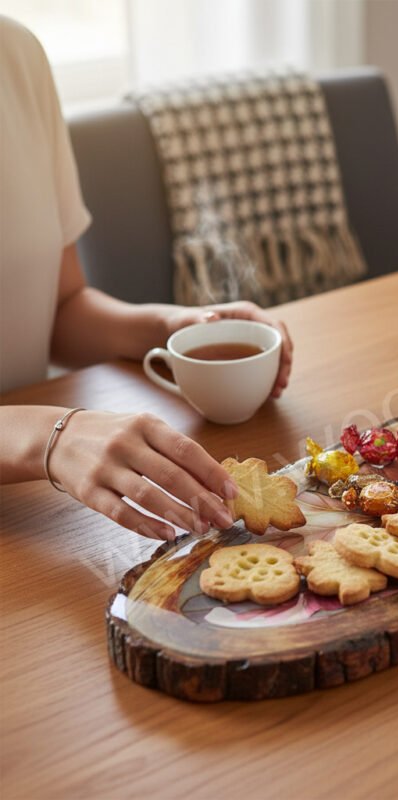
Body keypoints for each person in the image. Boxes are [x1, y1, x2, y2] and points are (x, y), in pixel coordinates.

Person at [0, 16, 293, 541]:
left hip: (34, 518)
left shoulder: (15, 53)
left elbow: (59, 307)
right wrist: (51, 436)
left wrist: (177, 331)